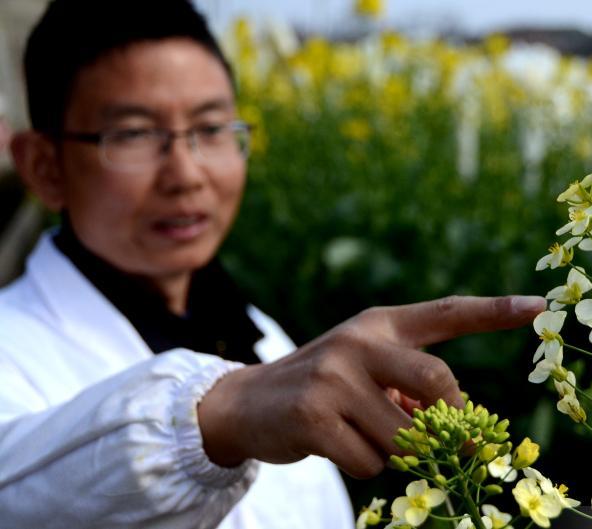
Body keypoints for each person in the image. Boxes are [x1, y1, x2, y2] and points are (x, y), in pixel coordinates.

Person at [0, 1, 547, 528]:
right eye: (136, 134)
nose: (187, 173)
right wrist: (217, 419)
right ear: (44, 167)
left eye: (212, 128)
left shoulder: (265, 339)